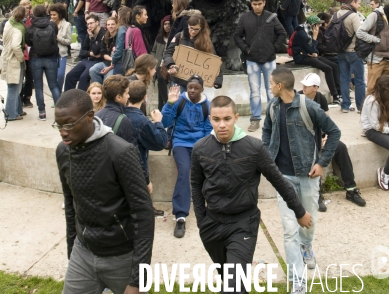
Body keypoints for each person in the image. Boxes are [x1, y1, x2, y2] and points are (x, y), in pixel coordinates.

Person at [191, 94, 312, 294]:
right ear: (210, 119)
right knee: (232, 281)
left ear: (236, 118)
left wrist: (299, 211)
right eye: (216, 119)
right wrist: (201, 220)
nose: (222, 125)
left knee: (233, 287)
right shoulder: (200, 149)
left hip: (243, 223)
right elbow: (195, 185)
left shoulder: (254, 148)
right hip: (211, 226)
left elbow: (279, 181)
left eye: (227, 119)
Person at [55, 89, 154, 294]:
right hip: (83, 253)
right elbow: (71, 204)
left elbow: (144, 214)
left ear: (90, 116)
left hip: (122, 257)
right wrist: (72, 251)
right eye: (59, 125)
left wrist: (137, 280)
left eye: (69, 124)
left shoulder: (120, 151)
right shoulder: (63, 151)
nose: (63, 132)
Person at [262, 67, 341, 293]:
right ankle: (298, 279)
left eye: (270, 83)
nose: (269, 87)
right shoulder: (273, 107)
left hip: (307, 175)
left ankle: (307, 245)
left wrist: (322, 162)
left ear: (279, 86)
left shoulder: (309, 107)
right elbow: (267, 132)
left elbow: (334, 132)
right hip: (282, 177)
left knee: (308, 221)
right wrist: (268, 157)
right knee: (289, 230)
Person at [300, 73, 366, 207]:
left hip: (320, 135)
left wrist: (326, 136)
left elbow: (327, 122)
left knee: (340, 147)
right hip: (305, 138)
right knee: (313, 152)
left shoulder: (321, 98)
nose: (304, 88)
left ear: (315, 88)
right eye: (303, 85)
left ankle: (351, 189)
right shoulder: (298, 98)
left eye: (307, 86)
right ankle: (316, 194)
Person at [162, 76, 212, 238]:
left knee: (210, 171)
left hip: (200, 144)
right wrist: (170, 103)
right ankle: (181, 216)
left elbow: (208, 128)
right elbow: (165, 122)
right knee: (184, 171)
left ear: (202, 89)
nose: (191, 90)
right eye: (189, 87)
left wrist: (204, 147)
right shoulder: (179, 101)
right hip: (181, 143)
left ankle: (214, 210)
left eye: (195, 88)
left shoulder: (207, 105)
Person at [234, 0, 286, 132]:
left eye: (259, 4)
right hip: (252, 60)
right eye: (254, 4)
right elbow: (237, 36)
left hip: (269, 59)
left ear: (264, 3)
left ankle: (273, 118)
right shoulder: (245, 18)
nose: (257, 7)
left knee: (272, 89)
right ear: (251, 4)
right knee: (254, 91)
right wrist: (246, 49)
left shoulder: (271, 17)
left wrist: (273, 48)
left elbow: (282, 33)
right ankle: (255, 118)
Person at [125, 80, 168, 216]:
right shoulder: (141, 121)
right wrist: (158, 122)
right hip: (137, 167)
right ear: (145, 97)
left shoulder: (119, 114)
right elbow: (160, 142)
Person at [164, 14, 223, 91]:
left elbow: (215, 61)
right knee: (178, 102)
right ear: (188, 25)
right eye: (191, 28)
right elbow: (168, 53)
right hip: (178, 81)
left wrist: (218, 80)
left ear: (201, 29)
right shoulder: (179, 36)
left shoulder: (206, 42)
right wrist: (171, 64)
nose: (193, 31)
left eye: (196, 29)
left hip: (195, 84)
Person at [292, 15, 342, 104]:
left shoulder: (308, 30)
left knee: (334, 66)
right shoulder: (302, 33)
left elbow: (314, 50)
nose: (319, 27)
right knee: (328, 68)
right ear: (312, 25)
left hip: (310, 55)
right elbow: (311, 49)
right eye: (318, 25)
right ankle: (335, 96)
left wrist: (314, 53)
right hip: (301, 57)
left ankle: (339, 92)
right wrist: (315, 37)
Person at [361, 74, 389, 190]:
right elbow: (376, 126)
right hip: (372, 130)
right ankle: (385, 172)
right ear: (386, 87)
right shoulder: (371, 101)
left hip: (385, 127)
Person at [356, 0, 389, 96]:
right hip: (376, 60)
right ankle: (369, 110)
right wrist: (376, 40)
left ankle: (386, 111)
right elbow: (360, 32)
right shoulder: (376, 15)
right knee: (372, 89)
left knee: (388, 91)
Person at [26, 4, 61, 120]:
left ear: (34, 14)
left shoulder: (31, 27)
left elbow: (29, 43)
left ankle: (42, 112)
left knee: (38, 86)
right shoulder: (52, 24)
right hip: (51, 58)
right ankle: (60, 112)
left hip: (36, 58)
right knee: (54, 85)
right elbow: (55, 37)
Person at [335, 0, 366, 112]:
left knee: (344, 79)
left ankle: (345, 105)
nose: (359, 6)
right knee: (359, 81)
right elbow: (360, 34)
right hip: (353, 51)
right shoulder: (353, 16)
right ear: (352, 3)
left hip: (340, 51)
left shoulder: (336, 14)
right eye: (358, 3)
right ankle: (360, 106)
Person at [64, 14, 106, 92]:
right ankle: (68, 99)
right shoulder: (89, 34)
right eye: (88, 24)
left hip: (98, 62)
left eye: (91, 23)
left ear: (97, 22)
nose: (89, 26)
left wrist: (92, 38)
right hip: (88, 60)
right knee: (70, 75)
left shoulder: (103, 34)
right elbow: (83, 51)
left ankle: (82, 101)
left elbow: (97, 51)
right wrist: (91, 53)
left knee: (83, 77)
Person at [1, 6, 26, 121]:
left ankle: (18, 110)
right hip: (14, 60)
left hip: (5, 57)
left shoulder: (8, 23)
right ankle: (11, 114)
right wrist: (21, 58)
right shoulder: (19, 29)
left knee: (15, 86)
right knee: (14, 87)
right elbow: (15, 46)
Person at [49, 3, 72, 92]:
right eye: (51, 14)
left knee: (60, 75)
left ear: (60, 14)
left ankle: (58, 93)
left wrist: (58, 38)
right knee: (53, 76)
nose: (52, 17)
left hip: (62, 53)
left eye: (54, 14)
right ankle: (56, 96)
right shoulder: (49, 24)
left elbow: (69, 41)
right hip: (51, 53)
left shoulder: (67, 25)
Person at [89, 16, 119, 84]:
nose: (110, 26)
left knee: (107, 79)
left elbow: (119, 57)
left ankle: (104, 92)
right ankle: (99, 89)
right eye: (108, 24)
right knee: (92, 70)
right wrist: (112, 59)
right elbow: (103, 54)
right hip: (106, 62)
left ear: (117, 25)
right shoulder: (105, 37)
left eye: (112, 24)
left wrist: (110, 67)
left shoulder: (119, 37)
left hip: (116, 65)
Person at [151, 15, 172, 109]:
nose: (167, 26)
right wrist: (153, 61)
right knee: (160, 77)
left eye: (169, 24)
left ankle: (161, 107)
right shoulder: (159, 37)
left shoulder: (175, 38)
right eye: (165, 24)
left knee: (161, 82)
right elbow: (153, 51)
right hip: (159, 64)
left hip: (170, 64)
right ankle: (167, 103)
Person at [19, 0, 34, 108]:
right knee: (20, 78)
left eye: (28, 7)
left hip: (31, 53)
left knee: (30, 77)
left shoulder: (33, 20)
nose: (26, 10)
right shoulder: (17, 20)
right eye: (23, 7)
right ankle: (19, 98)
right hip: (20, 53)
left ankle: (27, 98)